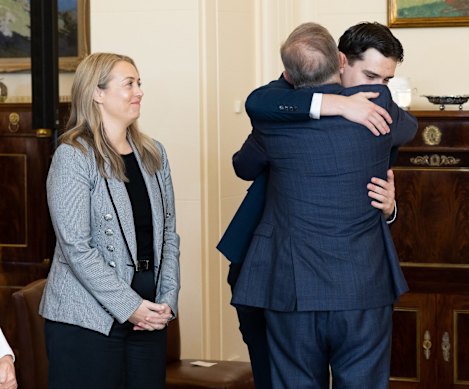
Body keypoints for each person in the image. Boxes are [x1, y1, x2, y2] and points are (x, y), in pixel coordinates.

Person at [217, 21, 408, 388]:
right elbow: (259, 101)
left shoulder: (276, 121)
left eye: (386, 81)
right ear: (341, 62)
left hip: (300, 282)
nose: (377, 88)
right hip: (280, 275)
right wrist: (334, 103)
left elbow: (244, 162)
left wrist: (390, 208)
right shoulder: (279, 105)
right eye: (370, 75)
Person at [39, 52, 180, 389]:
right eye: (129, 83)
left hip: (147, 317)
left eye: (139, 83)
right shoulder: (73, 156)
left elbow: (169, 235)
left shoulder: (153, 153)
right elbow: (77, 248)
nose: (139, 91)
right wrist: (129, 306)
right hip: (85, 321)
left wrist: (166, 302)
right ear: (97, 93)